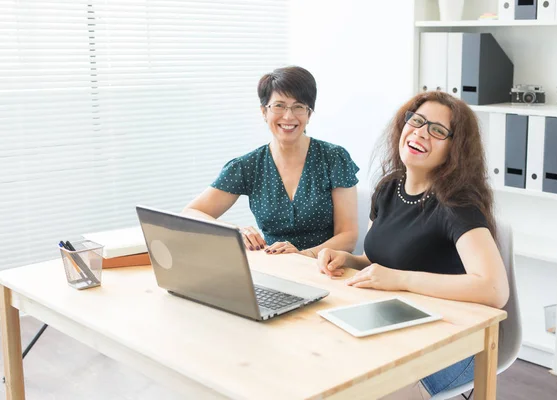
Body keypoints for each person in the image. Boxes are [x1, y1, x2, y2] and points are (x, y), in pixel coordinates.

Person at [316, 91, 510, 399]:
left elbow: (495, 290)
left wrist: (401, 280)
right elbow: (380, 259)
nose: (420, 132)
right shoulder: (389, 188)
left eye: (437, 130)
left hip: (457, 343)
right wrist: (349, 260)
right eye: (417, 121)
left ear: (455, 149)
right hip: (396, 326)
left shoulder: (457, 205)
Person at [183, 66, 359, 258]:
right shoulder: (247, 166)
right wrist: (236, 231)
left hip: (325, 268)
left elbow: (348, 236)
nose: (288, 116)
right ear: (264, 111)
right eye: (279, 106)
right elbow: (191, 213)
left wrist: (304, 255)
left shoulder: (334, 158)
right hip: (275, 267)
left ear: (309, 114)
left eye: (299, 106)